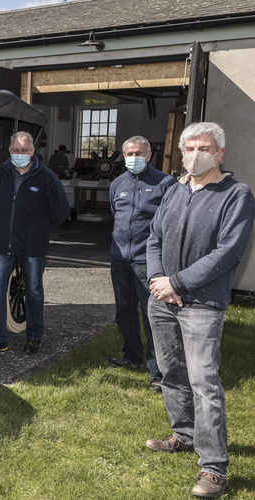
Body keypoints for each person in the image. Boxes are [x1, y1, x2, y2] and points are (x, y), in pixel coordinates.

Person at [145, 122, 254, 498]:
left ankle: (214, 469)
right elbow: (154, 237)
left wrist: (178, 283)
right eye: (188, 147)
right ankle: (184, 435)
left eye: (203, 147)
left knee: (204, 383)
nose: (194, 154)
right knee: (170, 372)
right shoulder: (174, 190)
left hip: (201, 305)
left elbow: (227, 254)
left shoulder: (237, 195)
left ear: (219, 153)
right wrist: (159, 279)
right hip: (162, 300)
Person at [0, 131, 69, 354]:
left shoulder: (46, 178)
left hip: (33, 247)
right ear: (10, 151)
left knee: (34, 291)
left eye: (24, 151)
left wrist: (41, 226)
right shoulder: (1, 172)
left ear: (32, 151)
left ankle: (34, 337)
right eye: (16, 151)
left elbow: (62, 211)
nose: (20, 154)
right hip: (3, 244)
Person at [107, 135, 175, 391]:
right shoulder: (117, 184)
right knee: (124, 312)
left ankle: (157, 371)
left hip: (147, 262)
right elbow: (116, 214)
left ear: (148, 156)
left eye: (138, 153)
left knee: (153, 316)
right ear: (123, 156)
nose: (133, 158)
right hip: (119, 259)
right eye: (128, 154)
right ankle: (131, 355)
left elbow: (169, 224)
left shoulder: (165, 184)